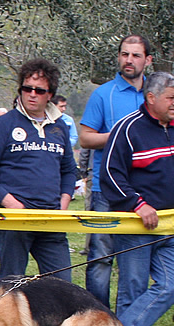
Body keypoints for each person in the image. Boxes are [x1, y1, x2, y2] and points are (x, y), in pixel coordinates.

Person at [0, 58, 77, 326]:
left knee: (63, 286)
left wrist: (65, 200)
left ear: (50, 94)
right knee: (10, 287)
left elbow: (69, 170)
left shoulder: (60, 127)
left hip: (51, 221)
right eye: (26, 88)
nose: (31, 94)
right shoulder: (3, 126)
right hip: (14, 221)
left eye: (39, 90)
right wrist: (8, 201)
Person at [100, 71, 174, 326]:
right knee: (133, 287)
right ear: (152, 98)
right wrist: (138, 205)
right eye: (170, 98)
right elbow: (110, 174)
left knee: (170, 286)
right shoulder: (127, 128)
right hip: (136, 226)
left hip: (169, 225)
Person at [79, 35, 153, 308]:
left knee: (135, 263)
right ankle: (97, 322)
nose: (129, 61)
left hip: (144, 194)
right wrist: (121, 136)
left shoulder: (155, 95)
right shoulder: (103, 94)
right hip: (105, 190)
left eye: (135, 55)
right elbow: (85, 138)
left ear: (148, 60)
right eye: (124, 55)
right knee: (100, 259)